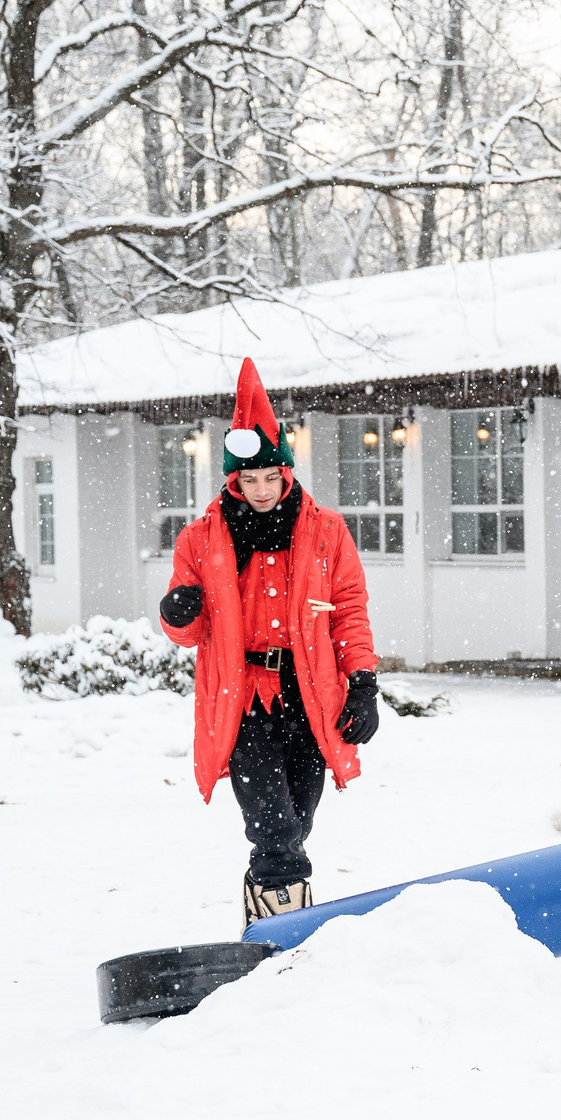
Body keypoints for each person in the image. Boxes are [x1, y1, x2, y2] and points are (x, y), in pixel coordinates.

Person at [158, 360, 382, 929]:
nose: (260, 491)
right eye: (249, 480)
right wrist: (177, 613)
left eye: (270, 478)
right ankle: (286, 937)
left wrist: (362, 684)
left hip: (310, 695)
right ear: (233, 480)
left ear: (286, 474)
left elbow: (349, 611)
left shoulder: (326, 531)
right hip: (242, 699)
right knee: (275, 832)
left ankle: (265, 918)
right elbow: (189, 632)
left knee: (297, 822)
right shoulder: (202, 539)